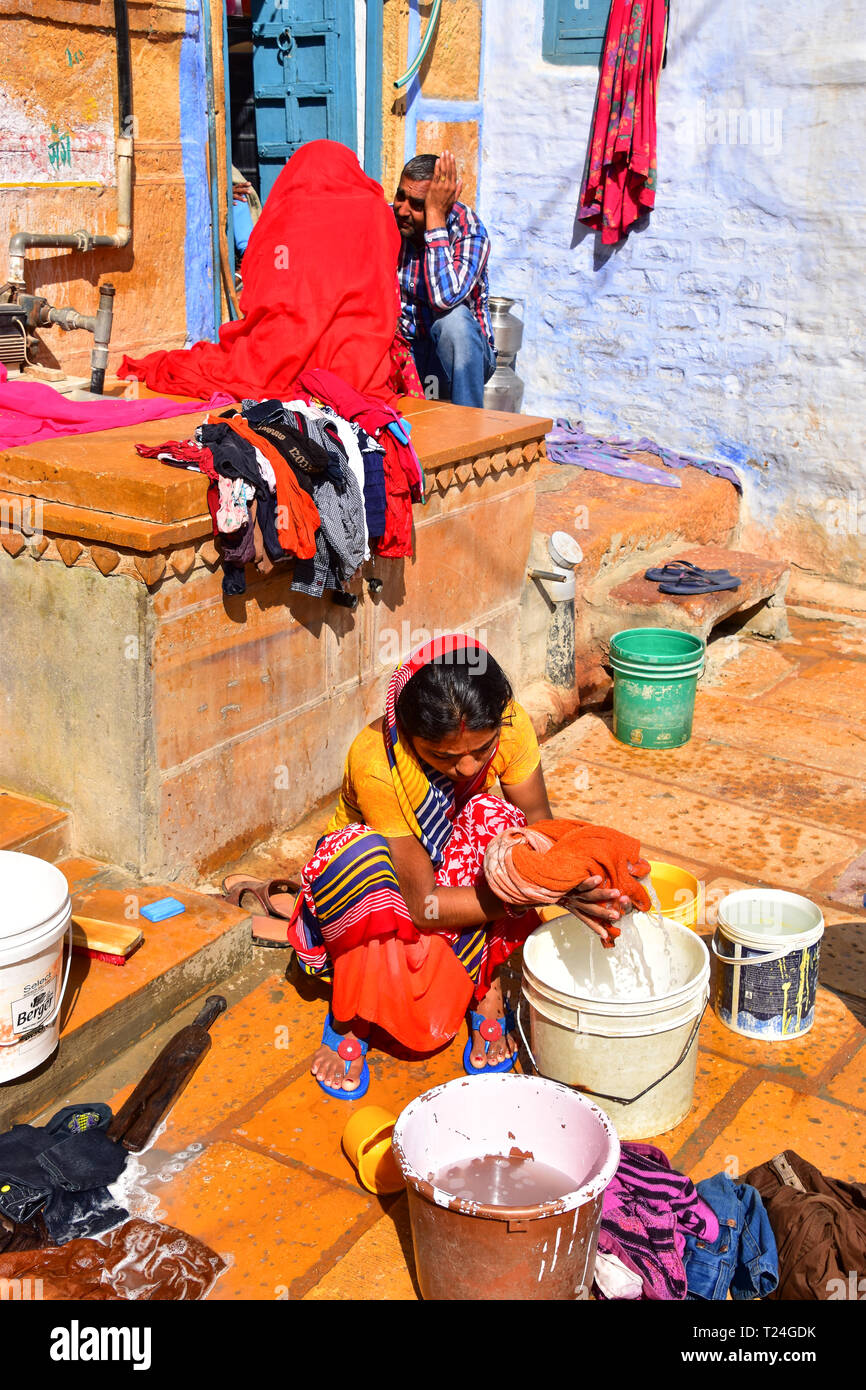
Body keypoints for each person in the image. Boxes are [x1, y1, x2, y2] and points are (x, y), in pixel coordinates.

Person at [282, 634, 634, 1096]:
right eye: (443, 756)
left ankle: (484, 988)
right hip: (386, 893)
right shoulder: (377, 762)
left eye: (480, 749)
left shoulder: (510, 725)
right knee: (361, 856)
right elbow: (423, 905)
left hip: (453, 877)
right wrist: (527, 893)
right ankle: (352, 1013)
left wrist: (578, 880)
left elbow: (541, 826)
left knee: (505, 830)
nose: (468, 768)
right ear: (409, 735)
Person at [394, 152, 497, 409]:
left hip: (460, 361)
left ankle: (468, 433)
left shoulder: (469, 231)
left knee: (453, 322)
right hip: (406, 353)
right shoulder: (388, 222)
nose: (403, 210)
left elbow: (444, 299)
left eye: (417, 205)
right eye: (400, 196)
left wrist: (435, 222)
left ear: (442, 205)